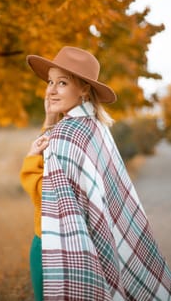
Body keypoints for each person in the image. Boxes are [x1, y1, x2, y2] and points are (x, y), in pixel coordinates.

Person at [20, 46, 171, 300]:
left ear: (84, 89)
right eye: (50, 82)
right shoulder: (95, 127)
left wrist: (29, 162)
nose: (51, 90)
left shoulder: (64, 134)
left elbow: (44, 197)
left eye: (62, 83)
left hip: (52, 244)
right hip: (96, 243)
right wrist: (49, 119)